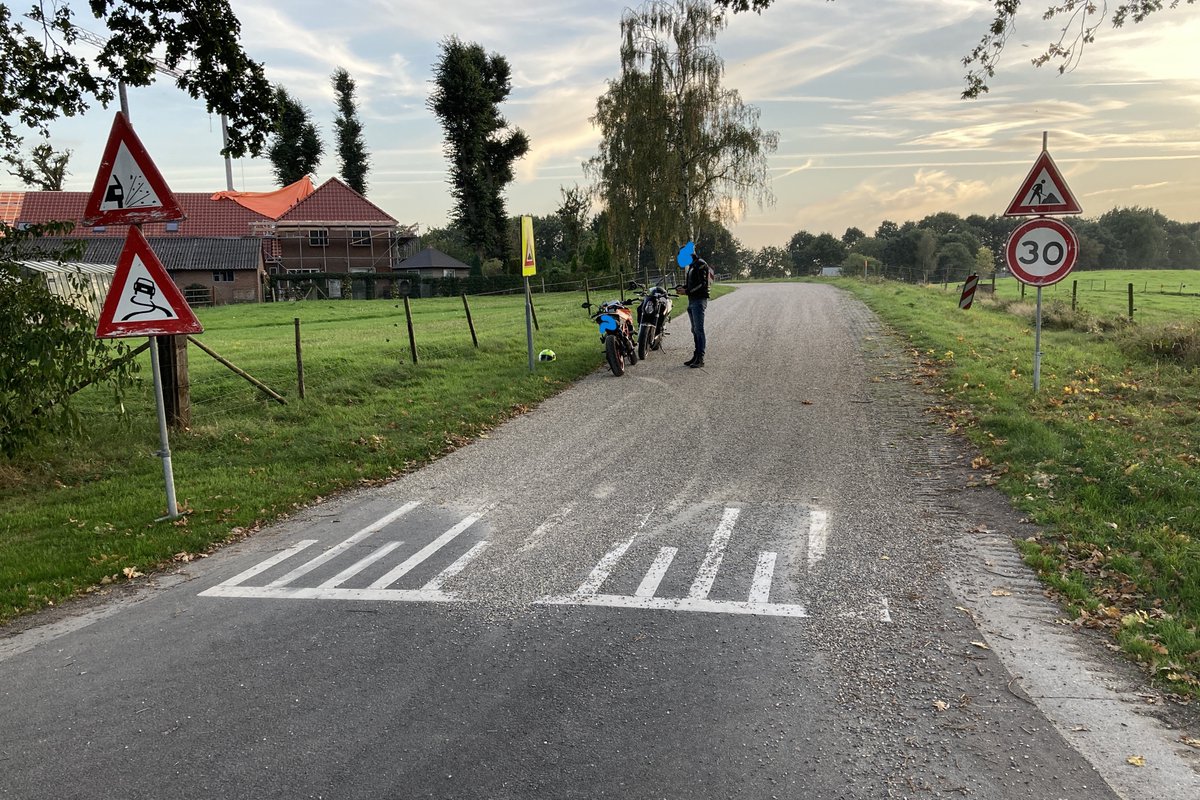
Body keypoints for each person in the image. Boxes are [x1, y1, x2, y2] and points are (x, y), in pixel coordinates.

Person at [680, 254, 714, 368]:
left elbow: (701, 284)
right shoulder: (692, 265)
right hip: (692, 300)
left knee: (699, 329)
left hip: (699, 300)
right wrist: (684, 288)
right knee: (694, 329)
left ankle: (700, 358)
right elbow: (692, 283)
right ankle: (696, 355)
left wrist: (687, 291)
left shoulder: (700, 264)